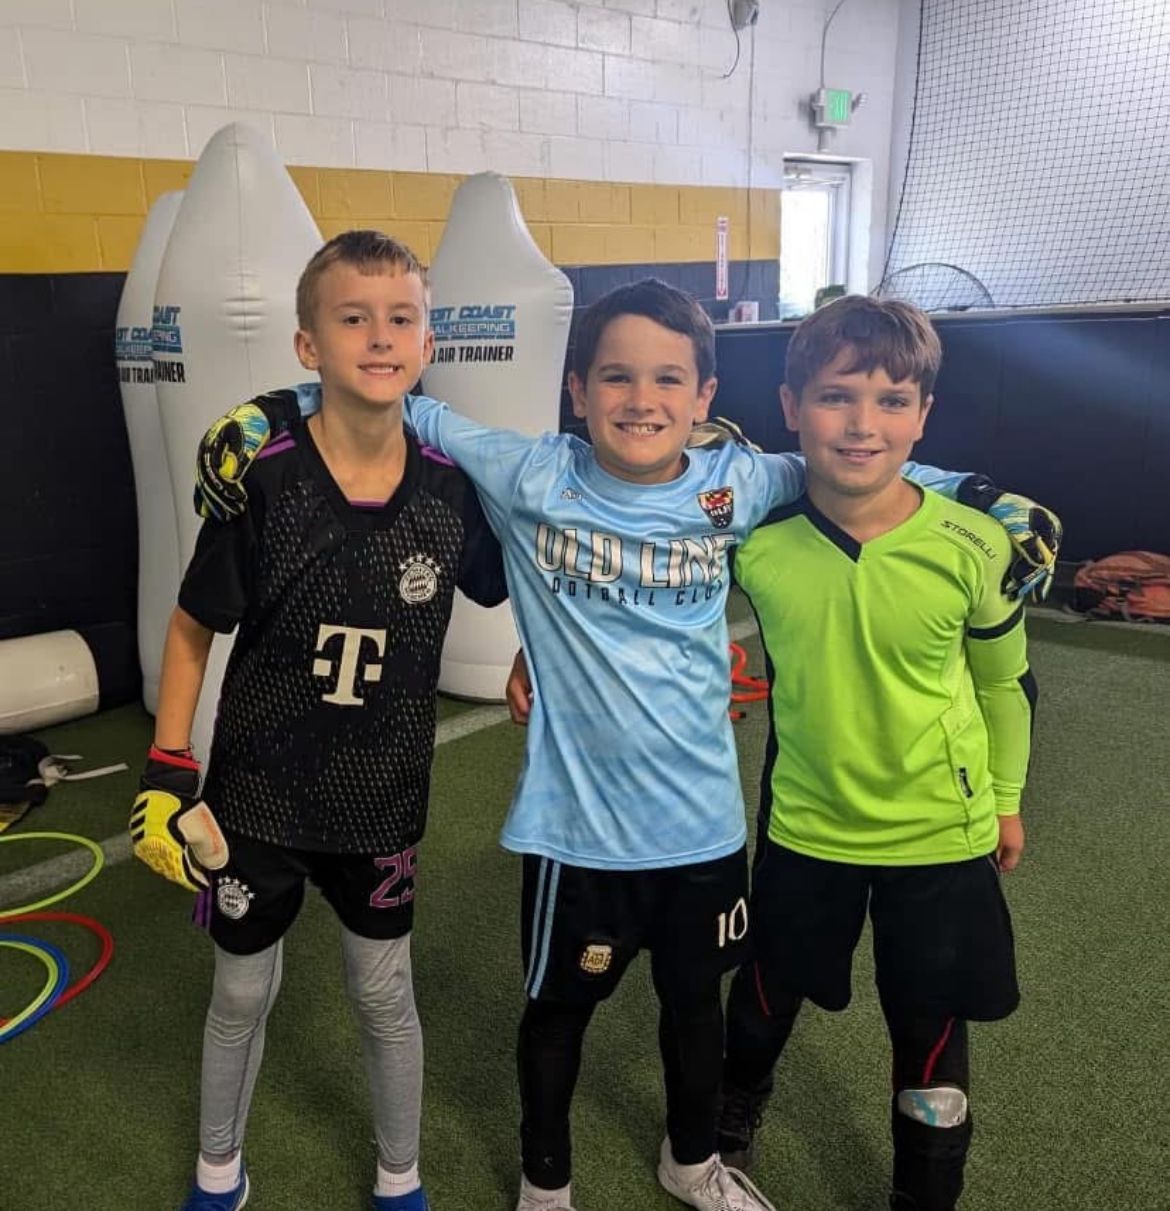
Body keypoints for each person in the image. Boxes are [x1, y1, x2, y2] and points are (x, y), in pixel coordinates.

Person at [191, 277, 1058, 1211]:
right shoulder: (530, 473)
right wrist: (277, 407)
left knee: (696, 1010)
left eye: (667, 381)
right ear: (577, 392)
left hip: (706, 830)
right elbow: (409, 404)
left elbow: (849, 460)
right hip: (578, 831)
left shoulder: (742, 484)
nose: (641, 400)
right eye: (615, 378)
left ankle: (692, 1161)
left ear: (704, 398)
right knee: (559, 1014)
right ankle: (544, 1183)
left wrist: (976, 493)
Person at [129, 230, 507, 1211]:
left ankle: (400, 1175)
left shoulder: (452, 489)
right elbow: (190, 625)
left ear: (427, 343)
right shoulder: (263, 480)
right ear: (308, 346)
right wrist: (171, 765)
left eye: (400, 317)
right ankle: (220, 1170)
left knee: (384, 993)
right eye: (352, 317)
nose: (379, 337)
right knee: (241, 992)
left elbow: (523, 585)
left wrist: (533, 652)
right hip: (256, 795)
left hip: (382, 800)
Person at [715, 295, 1036, 1211]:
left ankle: (925, 1189)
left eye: (893, 400)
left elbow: (1005, 684)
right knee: (770, 986)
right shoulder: (758, 542)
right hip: (808, 822)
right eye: (836, 396)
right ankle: (736, 1105)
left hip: (944, 833)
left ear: (923, 415)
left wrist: (1005, 798)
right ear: (790, 405)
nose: (863, 424)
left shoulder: (973, 544)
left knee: (930, 1019)